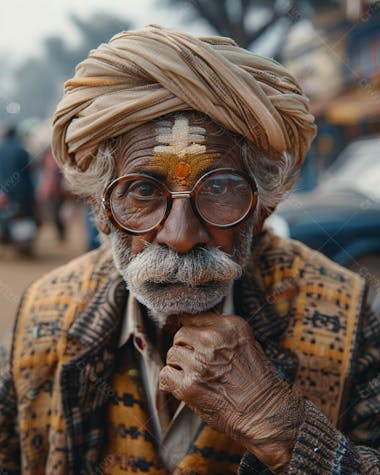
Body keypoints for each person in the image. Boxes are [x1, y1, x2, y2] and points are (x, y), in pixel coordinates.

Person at [0, 25, 379, 475]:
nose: (180, 234)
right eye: (143, 190)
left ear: (261, 209)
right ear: (100, 210)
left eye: (219, 188)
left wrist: (285, 429)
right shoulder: (43, 315)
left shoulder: (347, 315)